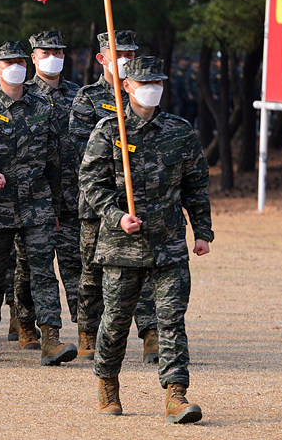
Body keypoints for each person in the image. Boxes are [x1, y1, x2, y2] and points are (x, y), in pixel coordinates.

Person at [79, 56, 212, 423]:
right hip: (122, 247)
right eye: (144, 83)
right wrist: (117, 215)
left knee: (171, 320)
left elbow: (196, 186)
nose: (152, 89)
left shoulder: (179, 131)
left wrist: (202, 231)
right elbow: (92, 183)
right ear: (127, 86)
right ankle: (107, 381)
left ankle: (176, 393)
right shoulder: (109, 131)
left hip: (168, 245)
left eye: (158, 82)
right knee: (117, 320)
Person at [0, 41, 75, 365]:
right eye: (7, 61)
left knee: (42, 269)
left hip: (36, 202)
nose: (16, 66)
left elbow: (54, 160)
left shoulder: (43, 107)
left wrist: (55, 205)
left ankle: (50, 337)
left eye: (19, 60)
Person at [69, 30, 159, 362]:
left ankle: (152, 335)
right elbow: (80, 148)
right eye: (119, 53)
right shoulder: (87, 98)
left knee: (147, 270)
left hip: (141, 203)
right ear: (102, 58)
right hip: (100, 204)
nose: (126, 60)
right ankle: (88, 332)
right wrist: (118, 153)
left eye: (131, 54)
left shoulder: (143, 95)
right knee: (93, 271)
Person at [23, 31, 82, 343]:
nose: (53, 57)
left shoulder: (78, 96)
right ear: (33, 57)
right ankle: (26, 325)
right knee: (31, 268)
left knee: (77, 266)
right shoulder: (23, 94)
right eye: (46, 52)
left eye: (58, 51)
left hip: (72, 197)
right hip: (34, 199)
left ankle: (85, 330)